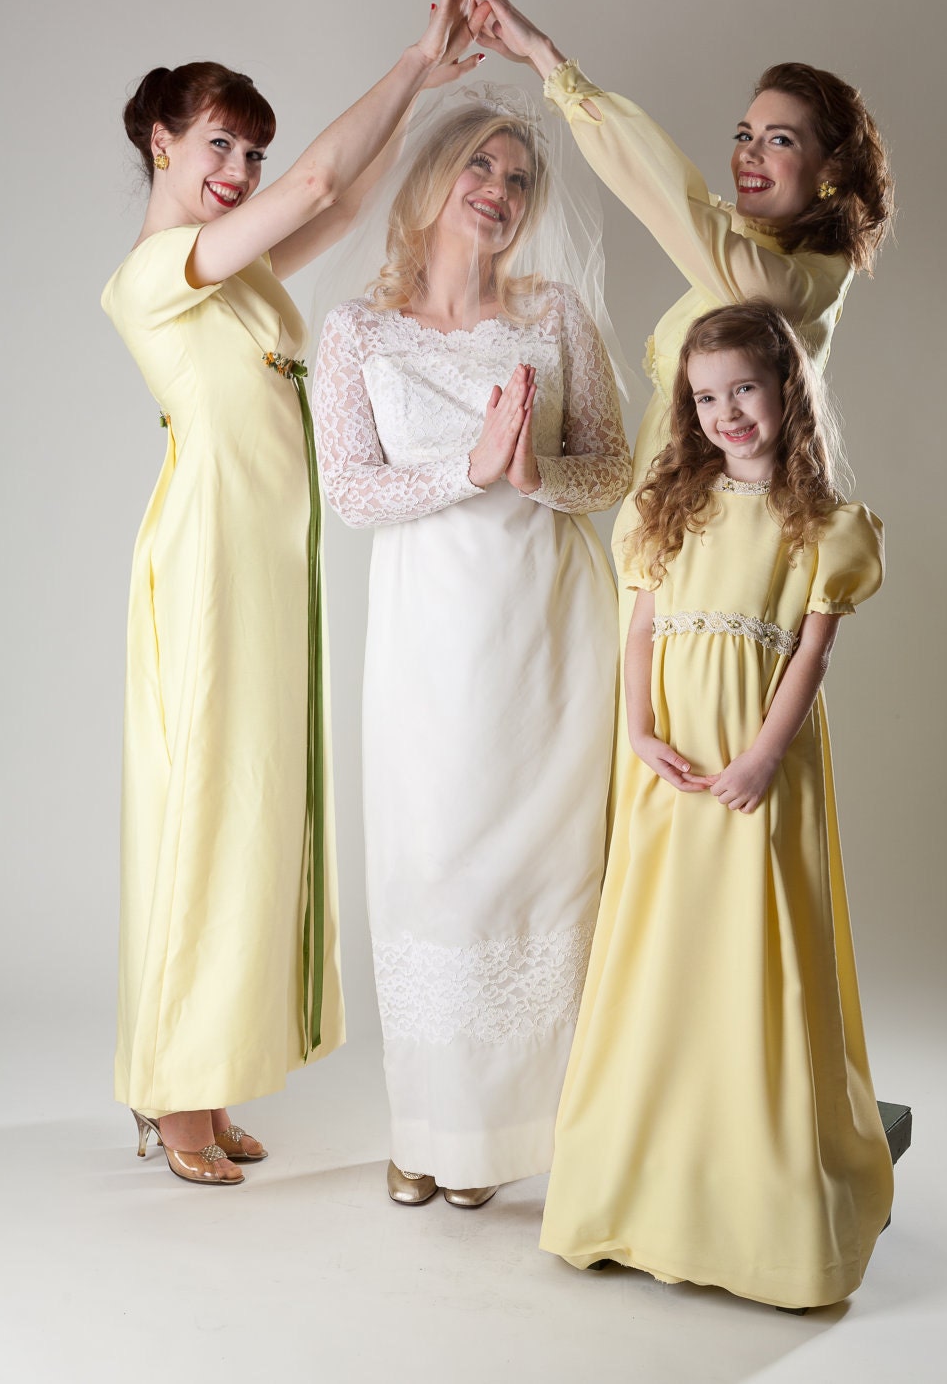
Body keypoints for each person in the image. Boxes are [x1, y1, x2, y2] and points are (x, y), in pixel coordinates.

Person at [103, 0, 490, 1186]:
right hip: (211, 562)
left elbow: (344, 198)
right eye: (220, 144)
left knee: (253, 809)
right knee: (206, 813)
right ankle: (175, 1099)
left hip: (268, 564)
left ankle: (199, 1086)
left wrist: (425, 91)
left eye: (252, 153)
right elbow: (320, 182)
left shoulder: (239, 269)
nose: (241, 169)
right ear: (162, 142)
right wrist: (414, 59)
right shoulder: (158, 272)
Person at [538, 301, 894, 1309]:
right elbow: (640, 632)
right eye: (705, 398)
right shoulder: (669, 510)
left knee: (750, 952)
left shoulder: (824, 527)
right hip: (671, 769)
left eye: (744, 388)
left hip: (756, 768)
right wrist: (640, 733)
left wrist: (763, 759)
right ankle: (631, 1190)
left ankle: (762, 1213)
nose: (727, 412)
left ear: (786, 389)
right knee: (661, 950)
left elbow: (810, 657)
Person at [313, 88, 631, 1207]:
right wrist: (470, 468)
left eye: (519, 181)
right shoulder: (358, 330)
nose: (499, 193)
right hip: (429, 642)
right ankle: (429, 1128)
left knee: (541, 880)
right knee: (433, 870)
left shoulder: (554, 316)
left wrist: (534, 473)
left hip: (548, 634)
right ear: (435, 177)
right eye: (481, 169)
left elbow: (613, 467)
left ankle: (518, 1136)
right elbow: (349, 490)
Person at [460, 0, 893, 575]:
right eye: (744, 135)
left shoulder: (797, 284)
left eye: (779, 140)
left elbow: (669, 197)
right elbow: (678, 194)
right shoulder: (747, 246)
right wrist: (539, 60)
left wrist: (548, 59)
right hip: (658, 525)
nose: (749, 154)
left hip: (714, 546)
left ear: (830, 172)